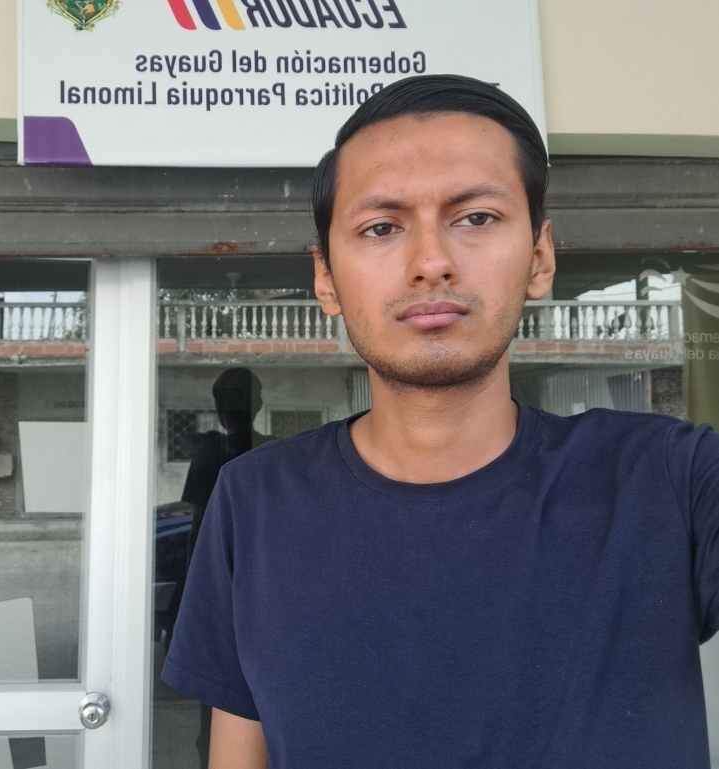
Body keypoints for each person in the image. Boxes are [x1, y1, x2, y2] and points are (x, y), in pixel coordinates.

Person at [161, 74, 719, 768]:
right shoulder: (254, 500)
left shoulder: (672, 479)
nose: (430, 262)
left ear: (539, 257)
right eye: (380, 227)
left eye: (476, 218)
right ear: (326, 278)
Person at [180, 367, 274, 768]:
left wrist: (191, 594)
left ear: (218, 409)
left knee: (222, 718)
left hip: (250, 597)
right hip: (268, 597)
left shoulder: (218, 456)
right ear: (259, 403)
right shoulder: (272, 453)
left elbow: (198, 530)